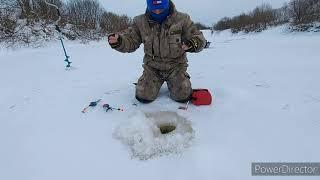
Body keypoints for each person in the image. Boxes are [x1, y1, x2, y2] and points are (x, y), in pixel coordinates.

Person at [108, 0, 206, 103]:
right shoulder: (140, 21)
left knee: (182, 95)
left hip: (176, 66)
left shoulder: (182, 19)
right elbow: (131, 40)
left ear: (167, 4)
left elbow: (198, 37)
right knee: (143, 95)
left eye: (161, 8)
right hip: (152, 67)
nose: (158, 12)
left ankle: (178, 83)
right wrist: (119, 41)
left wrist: (194, 43)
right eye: (154, 9)